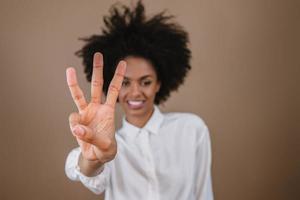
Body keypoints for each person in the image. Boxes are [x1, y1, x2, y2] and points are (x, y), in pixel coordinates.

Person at [65, 1, 214, 199]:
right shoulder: (108, 144)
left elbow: (204, 193)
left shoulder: (191, 129)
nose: (135, 93)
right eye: (125, 83)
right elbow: (85, 171)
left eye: (145, 82)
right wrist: (93, 159)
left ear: (159, 84)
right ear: (113, 88)